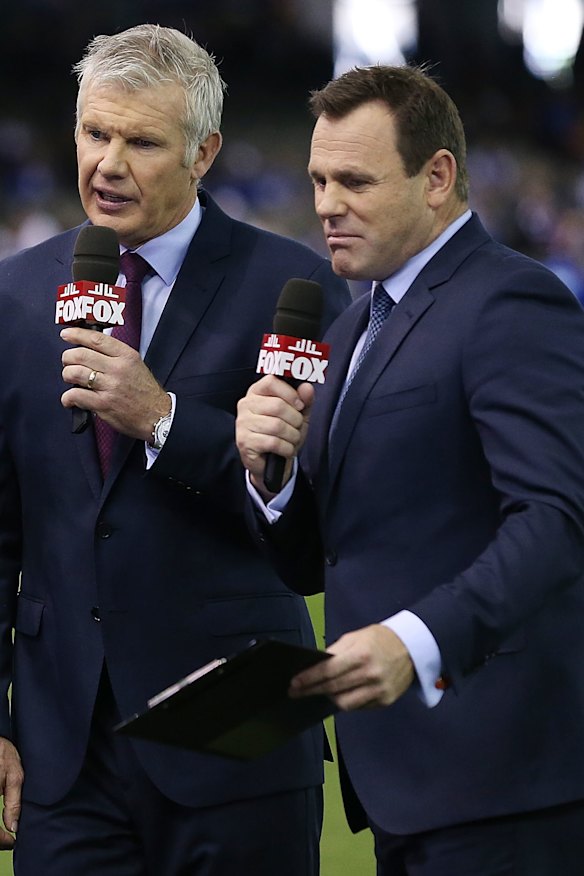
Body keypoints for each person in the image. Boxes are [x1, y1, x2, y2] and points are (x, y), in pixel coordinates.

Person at [0, 23, 350, 876]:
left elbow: (313, 525)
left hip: (238, 739)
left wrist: (162, 417)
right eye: (95, 133)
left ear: (204, 152)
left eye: (142, 141)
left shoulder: (293, 289)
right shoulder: (13, 293)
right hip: (64, 756)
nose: (108, 163)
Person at [235, 63, 584, 874]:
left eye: (354, 180)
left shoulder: (510, 301)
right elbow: (322, 561)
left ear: (437, 177)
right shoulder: (354, 329)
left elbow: (558, 520)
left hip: (508, 780)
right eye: (318, 179)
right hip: (402, 780)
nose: (325, 204)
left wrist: (418, 640)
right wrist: (274, 474)